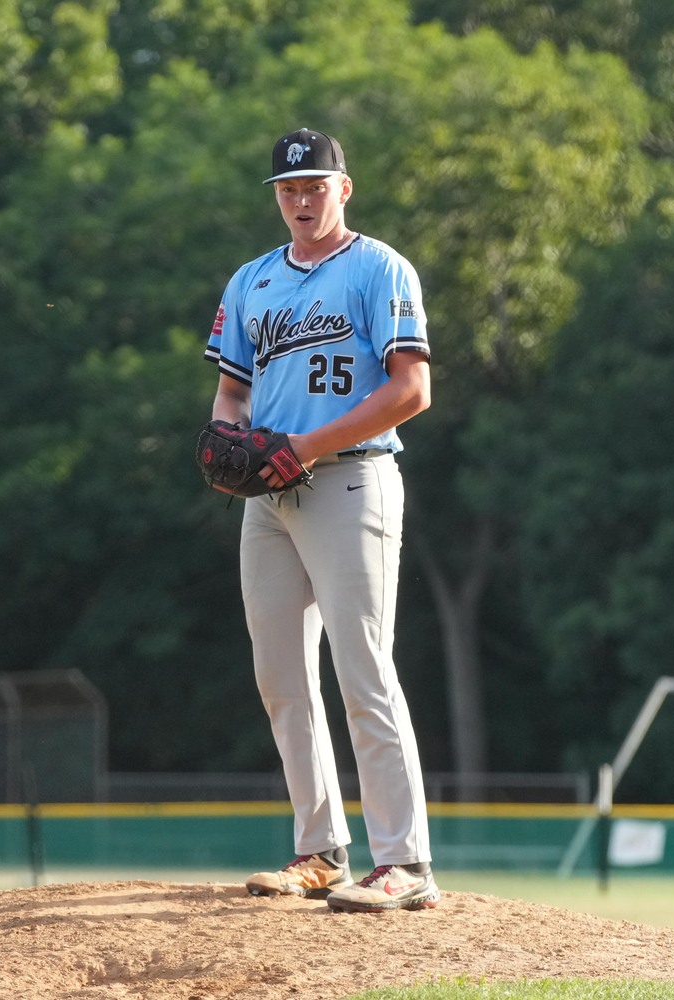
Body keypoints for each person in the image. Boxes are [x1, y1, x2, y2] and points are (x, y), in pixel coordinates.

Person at [202, 127, 439, 912]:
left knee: (362, 669)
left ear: (344, 188)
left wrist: (302, 445)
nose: (301, 200)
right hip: (270, 495)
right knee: (281, 680)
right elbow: (233, 391)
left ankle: (405, 862)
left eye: (314, 186)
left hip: (351, 481)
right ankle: (320, 850)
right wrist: (229, 438)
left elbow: (411, 389)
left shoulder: (378, 268)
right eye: (288, 189)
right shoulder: (252, 281)